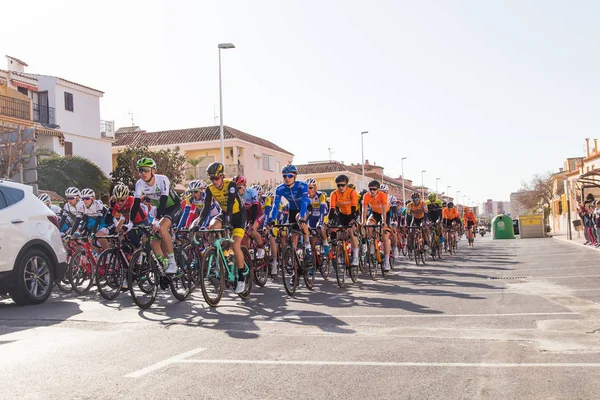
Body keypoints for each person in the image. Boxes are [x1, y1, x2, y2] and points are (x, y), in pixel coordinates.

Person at [198, 162, 247, 294]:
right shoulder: (210, 189)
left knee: (236, 245)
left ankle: (242, 277)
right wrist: (198, 223)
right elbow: (206, 208)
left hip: (238, 215)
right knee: (212, 227)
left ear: (222, 176)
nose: (214, 181)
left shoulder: (230, 184)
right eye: (211, 178)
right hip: (225, 213)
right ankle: (219, 252)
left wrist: (229, 221)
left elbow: (231, 203)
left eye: (216, 178)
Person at [130, 157, 182, 274]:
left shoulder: (162, 179)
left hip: (173, 207)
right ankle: (164, 264)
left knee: (162, 228)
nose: (143, 173)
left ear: (153, 170)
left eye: (146, 170)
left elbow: (163, 201)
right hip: (161, 209)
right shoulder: (140, 184)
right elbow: (136, 205)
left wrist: (157, 220)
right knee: (149, 240)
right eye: (140, 170)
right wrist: (130, 223)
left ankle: (172, 262)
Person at [267, 164, 310, 279]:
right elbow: (275, 206)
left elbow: (305, 201)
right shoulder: (280, 188)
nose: (287, 178)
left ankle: (308, 245)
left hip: (303, 208)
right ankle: (294, 272)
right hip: (292, 209)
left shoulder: (302, 185)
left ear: (295, 176)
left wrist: (301, 216)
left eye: (290, 175)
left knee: (300, 220)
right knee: (293, 238)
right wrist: (272, 220)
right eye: (284, 176)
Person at [328, 174, 359, 265]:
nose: (340, 187)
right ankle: (341, 253)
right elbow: (332, 209)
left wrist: (353, 220)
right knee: (338, 233)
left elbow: (353, 207)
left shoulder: (352, 192)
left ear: (347, 184)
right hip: (342, 214)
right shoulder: (334, 194)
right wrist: (330, 221)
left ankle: (355, 257)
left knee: (351, 231)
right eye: (338, 185)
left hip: (353, 213)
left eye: (343, 185)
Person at [361, 180, 392, 271]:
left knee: (385, 236)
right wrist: (363, 221)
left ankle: (386, 261)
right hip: (374, 213)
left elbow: (383, 211)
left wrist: (384, 222)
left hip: (385, 213)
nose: (372, 191)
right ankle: (373, 245)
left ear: (378, 189)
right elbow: (364, 209)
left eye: (374, 189)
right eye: (370, 189)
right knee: (368, 225)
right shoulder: (366, 196)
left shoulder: (383, 195)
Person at [235, 175, 266, 260]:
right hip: (246, 215)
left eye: (239, 188)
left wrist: (251, 223)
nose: (236, 190)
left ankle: (261, 247)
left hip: (257, 214)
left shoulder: (252, 192)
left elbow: (255, 208)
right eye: (235, 188)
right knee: (244, 235)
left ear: (245, 186)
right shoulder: (236, 196)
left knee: (251, 230)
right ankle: (248, 253)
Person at [304, 178, 329, 256]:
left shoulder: (321, 195)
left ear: (315, 188)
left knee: (320, 228)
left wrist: (320, 222)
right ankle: (314, 260)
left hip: (322, 214)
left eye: (310, 188)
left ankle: (325, 242)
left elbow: (322, 209)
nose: (308, 190)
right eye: (306, 188)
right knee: (313, 237)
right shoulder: (305, 197)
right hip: (312, 216)